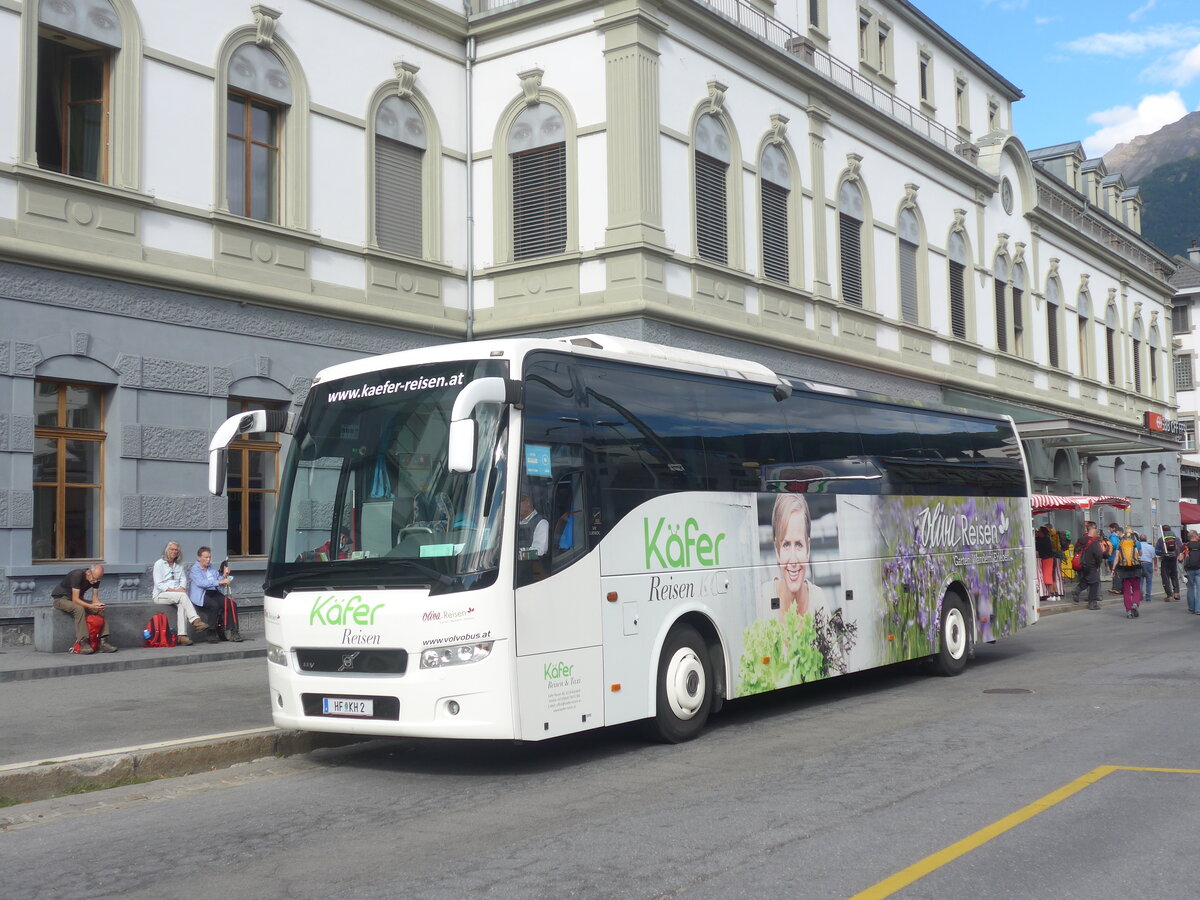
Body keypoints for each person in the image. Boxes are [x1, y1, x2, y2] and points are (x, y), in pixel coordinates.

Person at [768, 493, 825, 621]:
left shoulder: (818, 599)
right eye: (786, 545)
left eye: (799, 545)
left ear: (808, 549)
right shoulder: (762, 599)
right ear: (777, 551)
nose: (793, 560)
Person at [151, 540, 208, 646]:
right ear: (167, 550)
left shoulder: (179, 566)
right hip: (160, 595)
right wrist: (176, 591)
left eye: (176, 550)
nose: (174, 551)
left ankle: (182, 636)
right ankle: (196, 620)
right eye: (172, 549)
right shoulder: (159, 564)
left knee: (182, 603)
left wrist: (181, 587)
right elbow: (159, 584)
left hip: (176, 595)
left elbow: (183, 580)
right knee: (182, 596)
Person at [50, 563, 117, 653]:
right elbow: (75, 600)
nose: (95, 581)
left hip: (77, 599)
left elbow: (95, 597)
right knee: (79, 609)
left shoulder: (96, 578)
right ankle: (83, 643)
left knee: (99, 609)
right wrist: (90, 606)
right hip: (61, 599)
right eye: (94, 578)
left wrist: (98, 605)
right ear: (88, 572)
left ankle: (103, 642)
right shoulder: (77, 575)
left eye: (98, 579)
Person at [188, 547, 235, 643]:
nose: (208, 560)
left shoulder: (212, 567)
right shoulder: (195, 569)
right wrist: (220, 582)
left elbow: (219, 578)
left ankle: (234, 631)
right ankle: (211, 632)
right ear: (199, 558)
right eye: (205, 557)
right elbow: (201, 583)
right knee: (215, 605)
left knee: (231, 604)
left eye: (209, 557)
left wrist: (225, 576)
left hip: (214, 591)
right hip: (202, 593)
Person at [1075, 526, 1106, 610]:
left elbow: (1076, 550)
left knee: (1086, 579)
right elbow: (1098, 554)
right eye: (1096, 533)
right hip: (1091, 565)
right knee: (1094, 583)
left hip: (1080, 564)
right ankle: (1092, 603)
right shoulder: (1094, 542)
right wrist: (1098, 564)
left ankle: (1076, 591)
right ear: (1094, 533)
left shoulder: (1080, 540)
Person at [1114, 527, 1143, 618]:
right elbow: (1140, 554)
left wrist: (1113, 569)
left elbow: (1117, 558)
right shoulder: (1137, 543)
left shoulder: (1120, 543)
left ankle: (1129, 611)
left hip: (1124, 569)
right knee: (1136, 589)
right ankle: (1135, 604)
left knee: (1126, 591)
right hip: (1136, 568)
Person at [517, 495, 548, 560]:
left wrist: (516, 553)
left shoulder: (541, 522)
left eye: (518, 502)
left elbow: (539, 551)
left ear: (527, 502)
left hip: (530, 565)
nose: (515, 506)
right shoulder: (514, 523)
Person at [1034, 526, 1061, 602]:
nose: (1038, 533)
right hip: (1052, 558)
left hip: (1047, 560)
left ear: (1042, 533)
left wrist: (1036, 537)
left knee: (1048, 577)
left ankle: (1051, 594)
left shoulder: (1042, 540)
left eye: (1039, 531)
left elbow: (1037, 547)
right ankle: (1056, 594)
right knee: (1053, 577)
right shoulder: (1047, 539)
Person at [1155, 526, 1180, 602]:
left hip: (1165, 560)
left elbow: (1157, 551)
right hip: (1174, 559)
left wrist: (1163, 553)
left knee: (1165, 577)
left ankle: (1169, 595)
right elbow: (1180, 547)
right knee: (1174, 576)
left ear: (1162, 530)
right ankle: (1176, 592)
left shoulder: (1161, 539)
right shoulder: (1176, 538)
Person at [1180, 530, 1200, 614]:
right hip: (1199, 569)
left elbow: (1180, 558)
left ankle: (1191, 608)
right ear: (1195, 536)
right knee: (1199, 589)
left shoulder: (1185, 546)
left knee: (1190, 588)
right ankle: (1198, 609)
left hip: (1189, 569)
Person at [1136, 533, 1156, 603]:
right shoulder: (1150, 547)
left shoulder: (1137, 546)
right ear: (1146, 539)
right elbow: (1154, 557)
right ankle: (1148, 596)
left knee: (1140, 581)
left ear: (1139, 539)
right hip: (1148, 564)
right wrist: (1155, 567)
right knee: (1149, 581)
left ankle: (1140, 595)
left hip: (1140, 563)